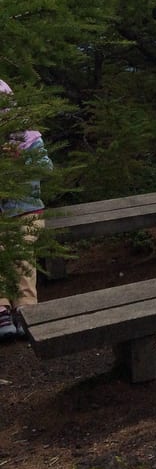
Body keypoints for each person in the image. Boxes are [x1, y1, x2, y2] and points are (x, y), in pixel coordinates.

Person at [0, 79, 51, 342]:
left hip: (27, 211)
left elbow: (46, 168)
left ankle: (26, 309)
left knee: (22, 250)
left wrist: (22, 160)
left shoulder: (28, 138)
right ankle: (2, 309)